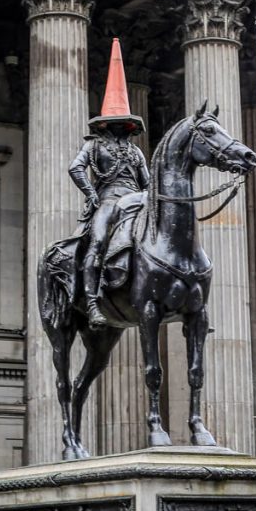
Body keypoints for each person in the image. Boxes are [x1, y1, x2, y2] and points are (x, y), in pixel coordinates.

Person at [69, 39, 149, 327]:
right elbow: (75, 168)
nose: (122, 127)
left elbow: (147, 184)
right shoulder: (93, 146)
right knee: (99, 241)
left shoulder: (135, 151)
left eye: (124, 123)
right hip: (107, 201)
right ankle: (92, 302)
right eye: (117, 122)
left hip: (136, 202)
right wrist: (91, 194)